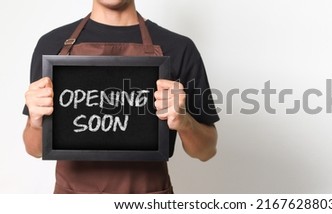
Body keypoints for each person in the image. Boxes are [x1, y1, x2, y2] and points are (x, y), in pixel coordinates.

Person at [22, 0, 219, 193]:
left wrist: (185, 122)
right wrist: (35, 122)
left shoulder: (179, 47)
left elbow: (206, 151)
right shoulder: (51, 44)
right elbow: (34, 149)